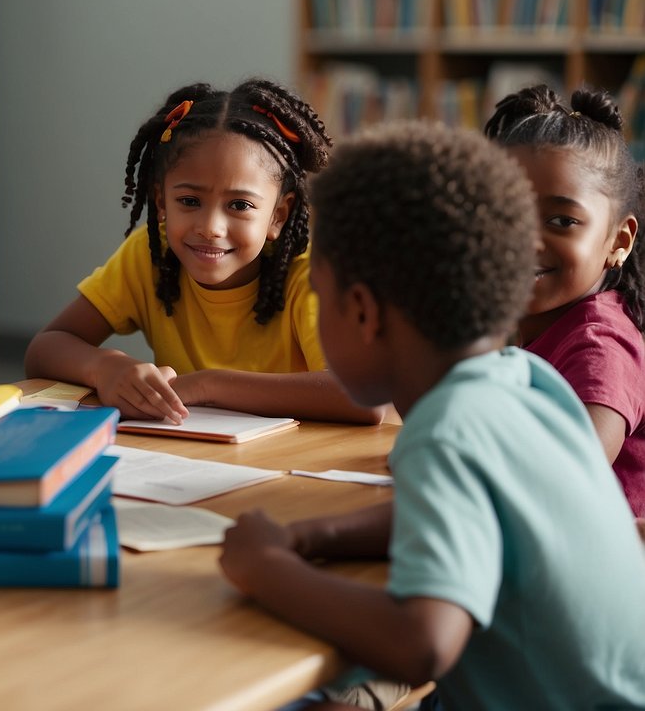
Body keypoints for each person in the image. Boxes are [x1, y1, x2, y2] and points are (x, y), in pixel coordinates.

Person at [220, 121, 645, 709]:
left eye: (320, 298)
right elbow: (470, 514)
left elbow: (423, 643)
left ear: (363, 312)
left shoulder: (448, 428)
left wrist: (265, 569)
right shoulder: (526, 379)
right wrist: (313, 534)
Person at [25, 78, 380, 424]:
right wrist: (106, 367)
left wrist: (210, 384)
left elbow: (365, 397)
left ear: (278, 216)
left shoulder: (309, 272)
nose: (210, 227)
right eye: (190, 201)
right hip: (191, 462)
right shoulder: (149, 255)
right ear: (161, 201)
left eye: (239, 205)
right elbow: (45, 348)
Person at [485, 85, 645, 523]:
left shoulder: (600, 345)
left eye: (562, 221)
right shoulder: (521, 328)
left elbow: (563, 484)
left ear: (619, 240)